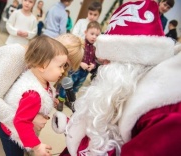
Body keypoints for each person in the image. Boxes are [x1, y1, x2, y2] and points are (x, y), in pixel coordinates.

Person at [52, 1, 181, 155]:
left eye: (109, 59)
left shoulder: (166, 116)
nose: (103, 63)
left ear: (131, 61)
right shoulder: (126, 87)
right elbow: (102, 127)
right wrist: (71, 125)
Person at [0, 33, 83, 138]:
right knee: (23, 131)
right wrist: (28, 119)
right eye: (62, 65)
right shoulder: (16, 56)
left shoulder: (43, 61)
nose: (63, 71)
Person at [0, 35, 68, 156]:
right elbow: (21, 122)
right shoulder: (33, 95)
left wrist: (52, 101)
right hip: (12, 134)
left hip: (17, 129)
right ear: (42, 66)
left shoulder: (39, 79)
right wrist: (37, 147)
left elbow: (45, 95)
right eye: (60, 66)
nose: (63, 71)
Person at [57, 21, 101, 111]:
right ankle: (60, 100)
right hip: (75, 70)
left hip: (84, 73)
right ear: (85, 32)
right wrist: (81, 63)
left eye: (97, 35)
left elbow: (94, 60)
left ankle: (69, 100)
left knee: (76, 87)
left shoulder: (94, 49)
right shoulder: (81, 45)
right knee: (68, 85)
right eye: (92, 33)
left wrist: (93, 65)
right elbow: (74, 57)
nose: (94, 37)